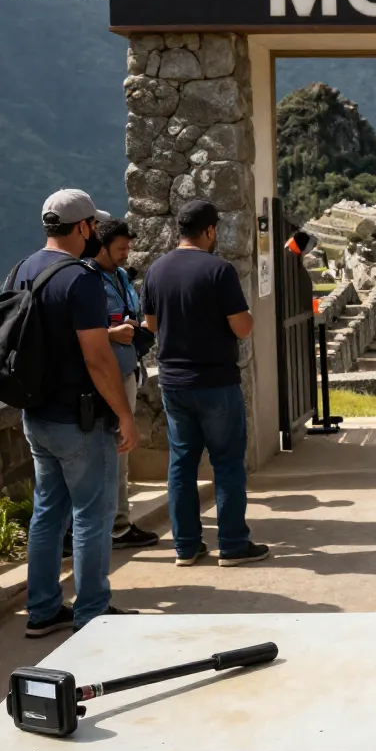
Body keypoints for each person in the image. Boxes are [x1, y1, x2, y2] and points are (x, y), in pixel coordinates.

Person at [14, 190, 140, 637]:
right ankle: (92, 610)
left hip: (37, 416)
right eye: (94, 226)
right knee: (93, 513)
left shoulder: (22, 269)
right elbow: (97, 358)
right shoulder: (81, 280)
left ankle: (43, 610)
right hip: (80, 419)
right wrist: (124, 415)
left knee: (48, 512)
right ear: (84, 227)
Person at [142, 200, 268, 567]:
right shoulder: (219, 270)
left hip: (173, 383)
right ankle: (232, 544)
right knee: (227, 462)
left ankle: (185, 547)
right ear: (210, 231)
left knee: (181, 464)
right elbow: (242, 327)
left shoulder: (156, 269)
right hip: (215, 381)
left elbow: (151, 325)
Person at [88, 218, 159, 550]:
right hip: (104, 378)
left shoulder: (119, 277)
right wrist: (111, 334)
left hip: (127, 370)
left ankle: (118, 519)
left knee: (121, 451)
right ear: (102, 247)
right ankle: (115, 525)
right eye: (121, 248)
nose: (126, 253)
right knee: (113, 450)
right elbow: (76, 335)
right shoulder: (87, 280)